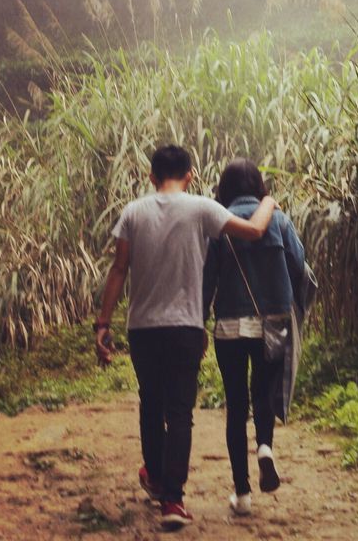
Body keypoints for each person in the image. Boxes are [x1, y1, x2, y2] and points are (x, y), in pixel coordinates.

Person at [95, 144, 278, 531]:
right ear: (191, 174)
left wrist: (102, 324)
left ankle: (157, 478)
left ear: (151, 176)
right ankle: (173, 501)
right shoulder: (202, 208)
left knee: (150, 405)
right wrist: (269, 200)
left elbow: (118, 269)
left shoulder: (133, 212)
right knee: (180, 413)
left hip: (143, 328)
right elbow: (255, 231)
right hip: (186, 328)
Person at [202, 158, 305, 518]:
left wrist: (200, 321)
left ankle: (242, 493)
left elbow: (208, 278)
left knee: (236, 403)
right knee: (263, 391)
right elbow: (298, 263)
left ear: (224, 187)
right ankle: (264, 447)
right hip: (273, 320)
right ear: (258, 184)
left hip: (230, 324)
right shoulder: (278, 219)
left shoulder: (219, 223)